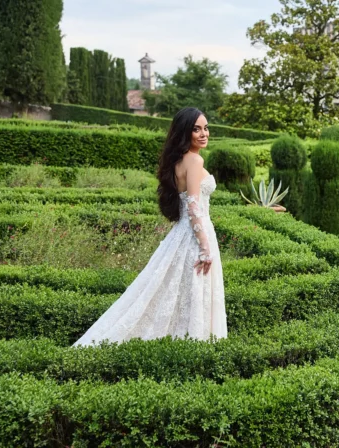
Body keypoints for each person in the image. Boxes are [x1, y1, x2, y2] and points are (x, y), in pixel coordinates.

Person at [73, 107, 227, 347]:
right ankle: (195, 343)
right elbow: (194, 206)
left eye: (206, 128)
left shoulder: (178, 161)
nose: (203, 133)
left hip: (183, 234)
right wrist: (205, 248)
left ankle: (183, 339)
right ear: (184, 132)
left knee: (175, 290)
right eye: (196, 129)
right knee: (193, 290)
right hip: (196, 236)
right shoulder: (195, 160)